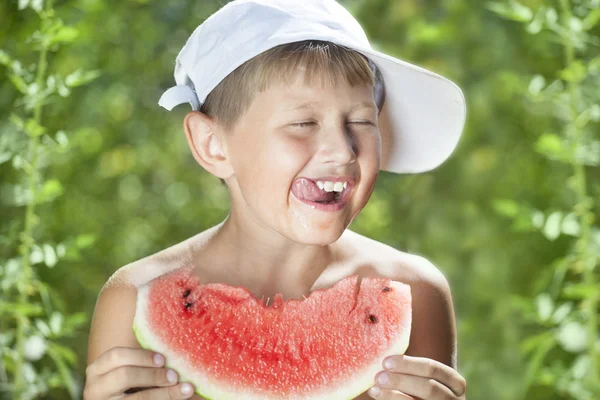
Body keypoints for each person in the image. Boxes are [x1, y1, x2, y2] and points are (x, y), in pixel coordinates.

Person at [83, 1, 468, 399]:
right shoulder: (134, 297)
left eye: (361, 121)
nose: (342, 151)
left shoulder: (415, 292)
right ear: (212, 145)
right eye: (303, 123)